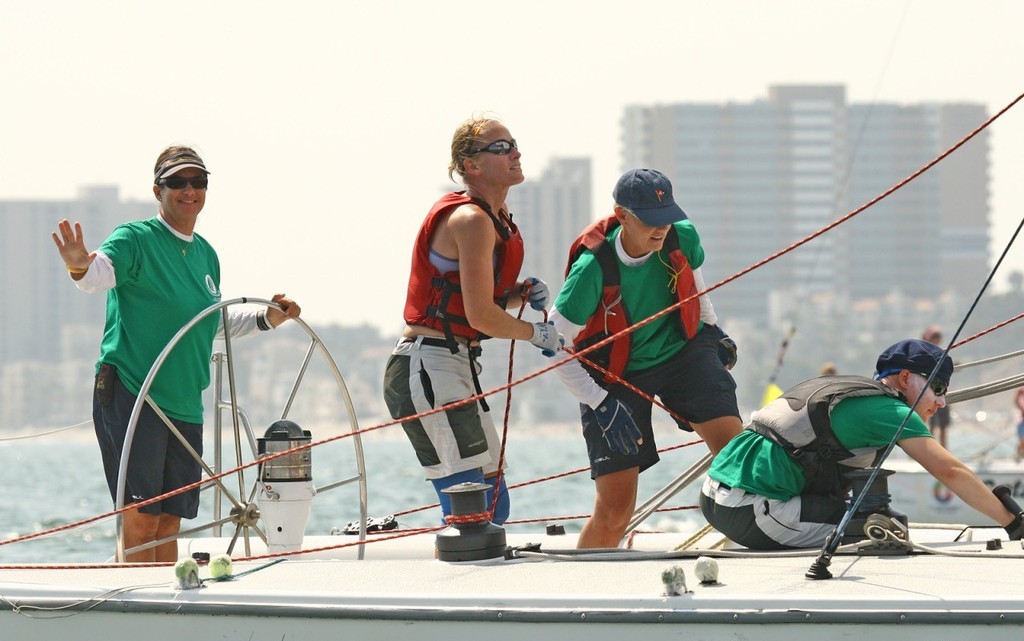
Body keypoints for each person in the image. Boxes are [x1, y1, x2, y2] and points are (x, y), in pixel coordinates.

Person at [51, 145, 301, 563]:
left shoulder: (206, 253)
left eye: (198, 181)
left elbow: (209, 323)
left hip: (185, 401)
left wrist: (266, 318)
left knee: (171, 517)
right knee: (142, 514)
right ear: (158, 190)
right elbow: (97, 275)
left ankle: (163, 609)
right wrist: (79, 264)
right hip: (134, 391)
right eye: (177, 183)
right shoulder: (135, 238)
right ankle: (133, 607)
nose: (189, 190)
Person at [550, 168, 743, 548]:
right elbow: (553, 348)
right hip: (613, 376)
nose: (661, 229)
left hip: (681, 353)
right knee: (615, 511)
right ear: (622, 216)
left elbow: (697, 293)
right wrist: (599, 403)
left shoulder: (681, 235)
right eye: (651, 221)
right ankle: (582, 588)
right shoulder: (591, 269)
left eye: (667, 217)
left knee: (739, 460)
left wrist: (715, 335)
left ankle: (751, 547)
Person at [383, 117, 560, 527]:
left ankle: (486, 583)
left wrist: (520, 292)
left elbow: (474, 301)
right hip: (428, 367)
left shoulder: (494, 218)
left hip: (454, 364)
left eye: (514, 144)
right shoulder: (472, 220)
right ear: (471, 164)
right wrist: (537, 334)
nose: (515, 153)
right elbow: (481, 315)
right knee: (471, 508)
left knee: (492, 502)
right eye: (500, 148)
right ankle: (462, 583)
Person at [700, 339, 1023, 549]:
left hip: (715, 499)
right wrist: (1013, 521)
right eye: (937, 387)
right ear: (906, 378)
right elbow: (949, 470)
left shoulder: (842, 392)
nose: (941, 401)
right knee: (885, 531)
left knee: (872, 521)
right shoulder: (893, 411)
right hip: (753, 511)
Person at [921, 325, 951, 447]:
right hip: (929, 392)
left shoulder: (940, 353)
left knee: (943, 425)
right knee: (931, 423)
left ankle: (944, 450)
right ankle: (928, 449)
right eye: (934, 337)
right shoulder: (923, 353)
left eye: (938, 337)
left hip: (942, 391)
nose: (937, 340)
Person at [1015, 387, 1024, 462]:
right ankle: (1018, 455)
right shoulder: (1021, 390)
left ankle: (1019, 455)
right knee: (1022, 440)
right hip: (1021, 420)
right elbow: (1016, 401)